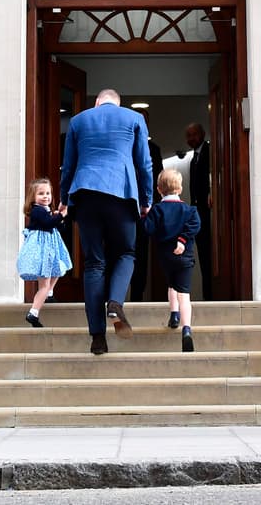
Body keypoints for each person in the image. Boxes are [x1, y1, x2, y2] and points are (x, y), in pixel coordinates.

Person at [58, 88, 154, 355]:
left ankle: (97, 337)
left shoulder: (78, 120)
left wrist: (64, 198)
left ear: (98, 102)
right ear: (117, 102)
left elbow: (68, 165)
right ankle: (115, 302)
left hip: (85, 193)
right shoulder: (134, 119)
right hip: (121, 193)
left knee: (93, 263)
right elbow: (144, 164)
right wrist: (146, 199)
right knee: (125, 253)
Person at [142, 168, 201, 352]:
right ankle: (186, 329)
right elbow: (195, 225)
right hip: (184, 258)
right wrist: (183, 240)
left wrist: (145, 214)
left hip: (166, 257)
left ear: (159, 189)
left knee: (171, 285)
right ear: (180, 189)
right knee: (184, 293)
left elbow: (147, 229)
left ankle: (174, 315)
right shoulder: (189, 211)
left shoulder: (158, 210)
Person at [16, 177, 72, 327]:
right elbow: (48, 223)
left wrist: (59, 218)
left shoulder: (46, 211)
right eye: (41, 193)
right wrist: (60, 215)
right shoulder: (37, 211)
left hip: (51, 250)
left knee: (59, 269)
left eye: (48, 193)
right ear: (33, 197)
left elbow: (59, 228)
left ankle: (49, 294)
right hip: (43, 251)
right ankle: (33, 312)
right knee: (44, 285)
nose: (46, 196)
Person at [128, 137, 164, 303]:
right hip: (123, 208)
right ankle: (113, 299)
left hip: (145, 211)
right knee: (119, 253)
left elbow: (158, 177)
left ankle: (137, 297)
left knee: (141, 255)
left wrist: (152, 204)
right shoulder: (123, 143)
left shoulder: (154, 149)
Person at [185, 122, 213, 301]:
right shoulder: (193, 157)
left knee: (209, 255)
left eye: (194, 134)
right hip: (198, 213)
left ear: (202, 134)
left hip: (209, 212)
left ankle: (211, 296)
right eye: (188, 136)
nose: (191, 139)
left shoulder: (210, 152)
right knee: (202, 254)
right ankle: (207, 295)